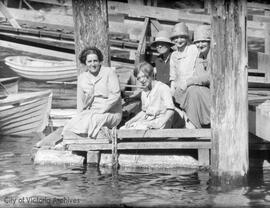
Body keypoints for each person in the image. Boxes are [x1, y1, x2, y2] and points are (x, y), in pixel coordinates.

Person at [62, 46, 122, 139]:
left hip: (111, 113)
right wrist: (80, 116)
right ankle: (77, 138)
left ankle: (88, 138)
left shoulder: (109, 72)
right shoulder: (82, 78)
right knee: (72, 122)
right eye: (89, 61)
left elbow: (116, 95)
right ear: (85, 63)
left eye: (95, 61)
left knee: (94, 120)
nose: (93, 64)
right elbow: (80, 103)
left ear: (99, 61)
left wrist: (102, 109)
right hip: (92, 112)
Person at [173, 24, 211, 129]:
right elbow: (198, 75)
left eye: (203, 41)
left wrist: (189, 81)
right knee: (185, 91)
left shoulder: (215, 55)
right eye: (197, 42)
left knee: (192, 90)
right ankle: (191, 121)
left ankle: (194, 124)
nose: (200, 45)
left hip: (217, 95)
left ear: (210, 42)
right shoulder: (200, 56)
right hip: (204, 91)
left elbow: (210, 77)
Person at [121, 61, 175, 129]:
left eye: (144, 76)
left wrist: (159, 124)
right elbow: (144, 112)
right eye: (139, 78)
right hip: (148, 121)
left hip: (160, 123)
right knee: (123, 129)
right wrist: (131, 121)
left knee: (136, 130)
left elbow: (171, 110)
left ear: (151, 74)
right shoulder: (144, 91)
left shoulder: (162, 88)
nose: (141, 80)